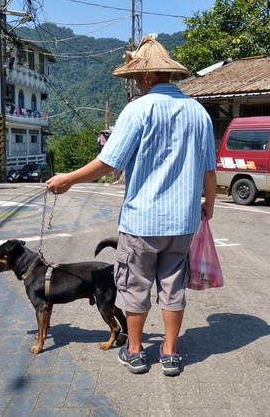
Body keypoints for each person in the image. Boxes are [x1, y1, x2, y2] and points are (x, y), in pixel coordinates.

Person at [46, 35, 217, 376]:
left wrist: (68, 179)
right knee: (173, 287)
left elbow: (109, 162)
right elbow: (209, 169)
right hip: (183, 223)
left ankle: (136, 350)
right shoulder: (199, 112)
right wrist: (208, 205)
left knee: (134, 285)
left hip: (142, 222)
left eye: (136, 78)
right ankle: (170, 353)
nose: (136, 83)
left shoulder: (138, 109)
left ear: (144, 77)